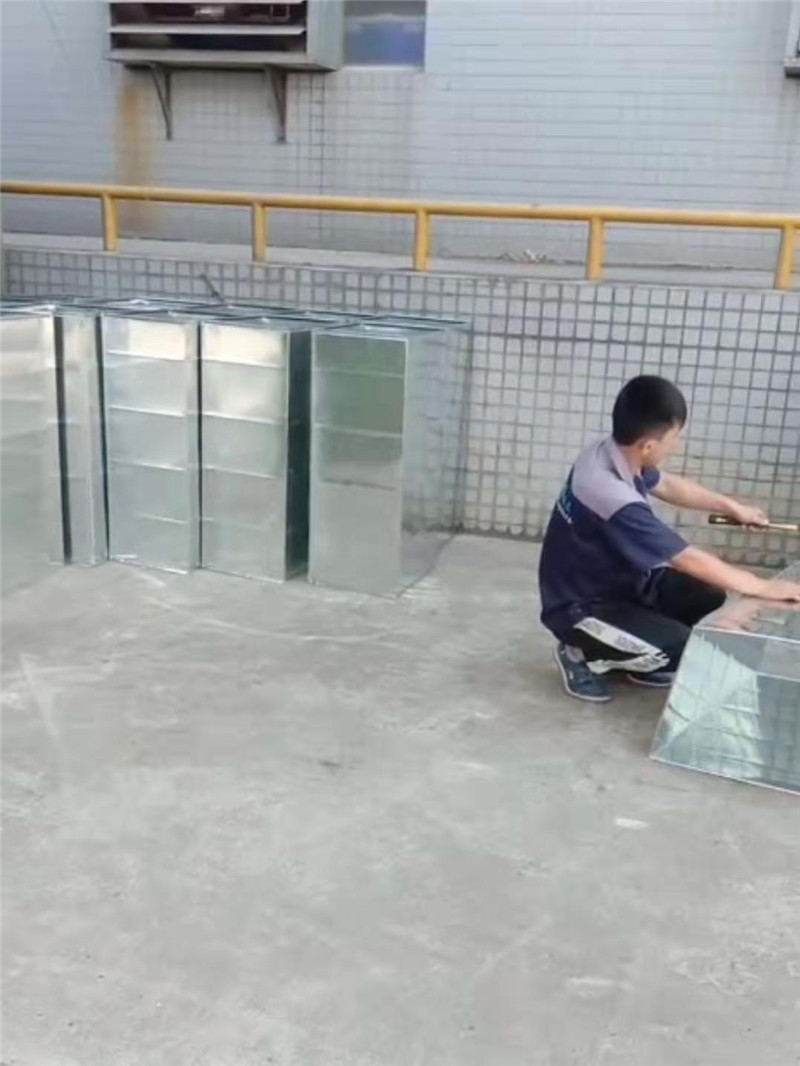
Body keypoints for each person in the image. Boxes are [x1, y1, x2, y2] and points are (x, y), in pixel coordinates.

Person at [538, 374, 800, 703]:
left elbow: (668, 485)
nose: (677, 445)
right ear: (649, 445)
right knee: (685, 647)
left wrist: (733, 507)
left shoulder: (609, 452)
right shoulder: (610, 497)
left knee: (706, 593)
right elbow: (685, 558)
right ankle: (579, 652)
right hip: (581, 607)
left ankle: (640, 653)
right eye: (675, 437)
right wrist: (762, 587)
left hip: (622, 584)